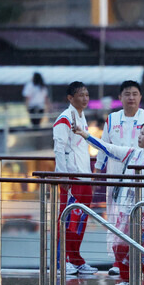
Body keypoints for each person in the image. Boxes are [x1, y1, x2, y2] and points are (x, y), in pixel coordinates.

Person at [73, 121, 144, 285]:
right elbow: (108, 149)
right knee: (118, 245)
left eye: (143, 134)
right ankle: (127, 278)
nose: (139, 137)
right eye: (139, 133)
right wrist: (85, 135)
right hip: (128, 210)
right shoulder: (133, 154)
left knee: (140, 250)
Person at [94, 80, 144, 276]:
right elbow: (104, 146)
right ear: (120, 97)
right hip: (116, 173)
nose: (131, 98)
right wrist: (98, 171)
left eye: (135, 94)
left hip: (142, 174)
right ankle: (117, 262)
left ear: (140, 97)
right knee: (116, 218)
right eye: (127, 94)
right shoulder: (112, 119)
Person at [53, 81, 98, 275]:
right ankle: (60, 261)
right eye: (80, 95)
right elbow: (59, 148)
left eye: (87, 95)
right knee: (66, 218)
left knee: (80, 220)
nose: (85, 98)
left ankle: (76, 259)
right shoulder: (64, 119)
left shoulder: (81, 116)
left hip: (84, 176)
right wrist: (63, 175)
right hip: (71, 176)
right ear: (70, 98)